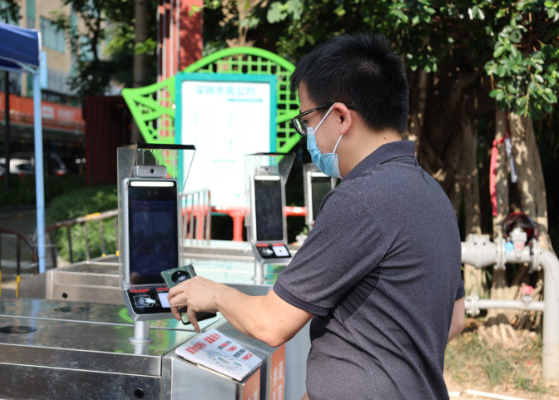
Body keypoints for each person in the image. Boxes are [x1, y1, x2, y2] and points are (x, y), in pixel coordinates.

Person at [167, 32, 465, 399]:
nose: (308, 135)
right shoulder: (432, 193)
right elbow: (454, 318)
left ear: (340, 117)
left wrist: (213, 293)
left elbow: (271, 323)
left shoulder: (360, 199)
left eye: (307, 121)